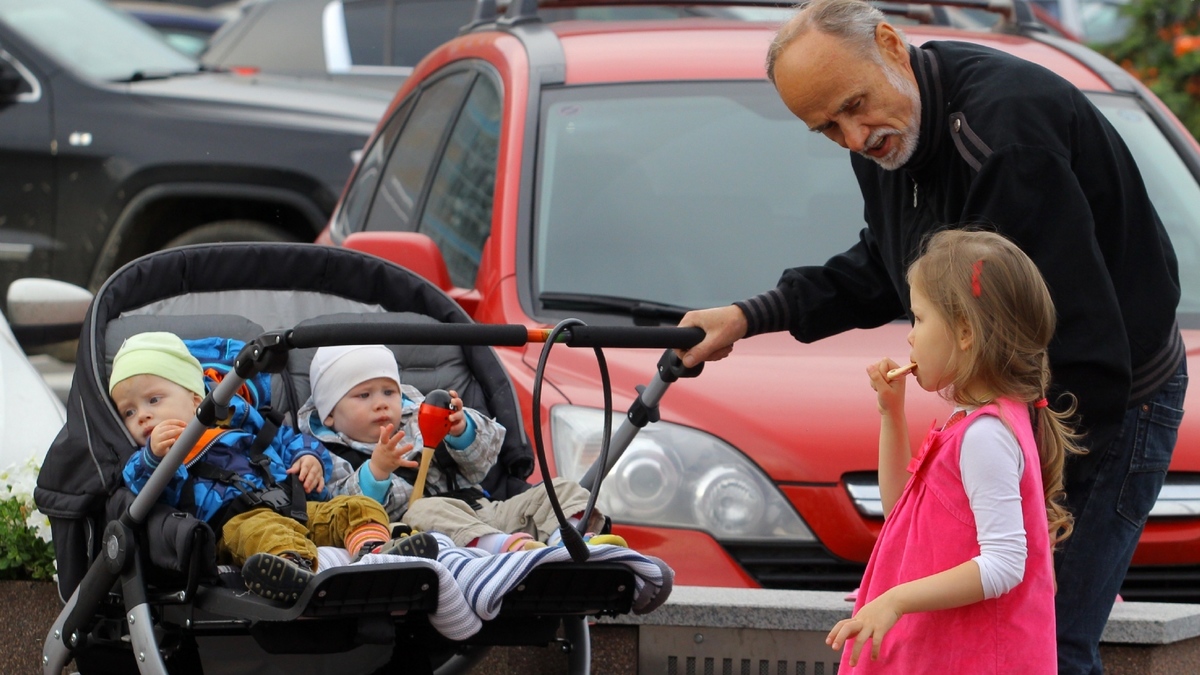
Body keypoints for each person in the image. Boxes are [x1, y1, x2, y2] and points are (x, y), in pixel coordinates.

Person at [677, 1, 1187, 672]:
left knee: (1045, 643)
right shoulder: (887, 137)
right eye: (827, 127)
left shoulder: (1005, 132)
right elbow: (890, 266)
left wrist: (1029, 486)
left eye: (855, 106)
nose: (855, 137)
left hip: (1106, 401)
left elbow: (1086, 355)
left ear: (889, 43)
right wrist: (750, 316)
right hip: (1015, 406)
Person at [827, 229, 1079, 672]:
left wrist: (896, 600)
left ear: (965, 331)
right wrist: (892, 415)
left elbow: (1004, 563)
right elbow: (898, 515)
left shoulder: (986, 436)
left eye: (919, 319)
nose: (910, 337)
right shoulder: (971, 424)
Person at [112, 332, 437, 605]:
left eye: (154, 400)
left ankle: (377, 551)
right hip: (233, 524)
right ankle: (290, 570)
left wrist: (310, 460)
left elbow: (293, 441)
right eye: (128, 412)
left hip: (295, 507)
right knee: (264, 530)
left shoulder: (247, 424)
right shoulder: (153, 458)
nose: (142, 416)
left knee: (355, 506)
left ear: (196, 399)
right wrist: (155, 459)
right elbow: (145, 490)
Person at [303, 344, 621, 553]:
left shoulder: (421, 416)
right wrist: (378, 470)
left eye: (389, 391)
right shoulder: (325, 454)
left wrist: (461, 429)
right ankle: (503, 550)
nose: (381, 404)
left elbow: (481, 464)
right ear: (330, 413)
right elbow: (342, 509)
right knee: (424, 509)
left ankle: (572, 542)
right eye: (364, 396)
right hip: (417, 530)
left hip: (483, 510)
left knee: (557, 489)